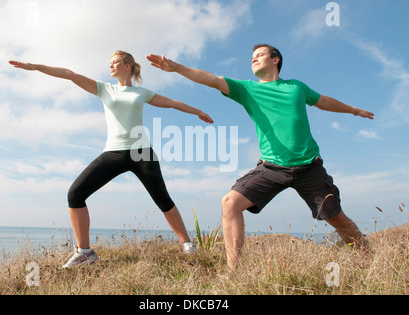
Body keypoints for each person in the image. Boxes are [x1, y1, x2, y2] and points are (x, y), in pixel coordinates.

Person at [147, 44, 374, 269]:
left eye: (259, 55)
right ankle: (233, 272)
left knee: (337, 218)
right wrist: (176, 67)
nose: (253, 59)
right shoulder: (247, 89)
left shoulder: (296, 87)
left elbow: (323, 101)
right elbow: (211, 79)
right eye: (252, 57)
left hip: (309, 167)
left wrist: (354, 110)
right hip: (271, 168)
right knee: (230, 203)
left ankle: (369, 259)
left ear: (275, 60)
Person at [9, 50, 213, 268]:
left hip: (141, 151)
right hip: (113, 152)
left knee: (163, 199)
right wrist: (36, 66)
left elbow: (172, 102)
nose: (111, 66)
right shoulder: (104, 89)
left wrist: (197, 111)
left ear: (127, 66)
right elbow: (69, 74)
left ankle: (188, 245)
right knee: (75, 194)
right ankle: (85, 252)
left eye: (115, 62)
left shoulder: (141, 92)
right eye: (110, 63)